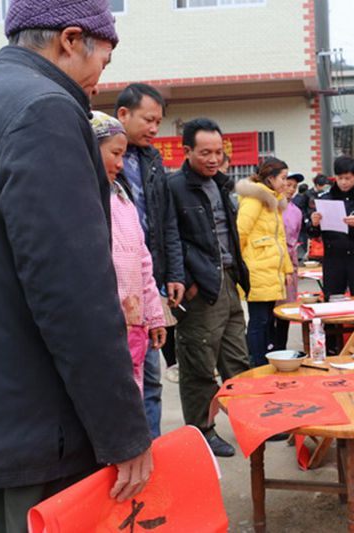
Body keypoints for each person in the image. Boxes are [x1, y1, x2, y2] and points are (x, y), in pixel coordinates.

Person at [0, 2, 153, 530]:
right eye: (103, 59)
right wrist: (123, 431)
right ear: (70, 39)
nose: (101, 79)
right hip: (39, 410)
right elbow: (72, 290)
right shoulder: (44, 109)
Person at [167, 117, 251, 457]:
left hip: (228, 280)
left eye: (218, 152)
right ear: (187, 151)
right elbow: (168, 238)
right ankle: (202, 431)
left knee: (237, 358)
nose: (214, 159)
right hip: (199, 288)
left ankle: (248, 420)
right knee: (199, 363)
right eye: (205, 153)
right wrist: (185, 282)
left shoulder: (221, 183)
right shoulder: (174, 188)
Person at [115, 82, 185, 439]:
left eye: (158, 121)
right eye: (148, 120)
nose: (155, 128)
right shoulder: (99, 156)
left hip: (149, 278)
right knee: (123, 378)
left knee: (152, 375)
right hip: (116, 282)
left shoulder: (153, 159)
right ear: (123, 114)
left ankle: (152, 446)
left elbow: (166, 221)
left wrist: (173, 273)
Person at [92, 111, 167, 392]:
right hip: (101, 328)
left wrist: (154, 315)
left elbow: (143, 262)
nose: (120, 164)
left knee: (137, 392)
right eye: (115, 153)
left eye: (123, 155)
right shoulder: (79, 201)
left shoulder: (123, 200)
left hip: (134, 323)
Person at [235, 159, 294, 367]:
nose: (286, 183)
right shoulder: (255, 200)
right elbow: (240, 233)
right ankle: (257, 363)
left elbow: (280, 240)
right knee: (259, 321)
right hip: (257, 269)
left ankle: (264, 360)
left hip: (270, 270)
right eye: (283, 178)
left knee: (267, 320)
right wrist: (241, 267)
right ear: (270, 178)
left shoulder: (273, 201)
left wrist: (287, 270)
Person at [306, 156, 354, 299]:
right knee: (333, 298)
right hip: (333, 256)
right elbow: (312, 232)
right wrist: (314, 223)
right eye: (340, 178)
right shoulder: (324, 198)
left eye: (348, 178)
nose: (343, 182)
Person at [275, 172, 305, 349]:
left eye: (294, 186)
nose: (292, 189)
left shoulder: (296, 211)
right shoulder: (270, 207)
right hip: (273, 263)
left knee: (286, 308)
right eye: (288, 184)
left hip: (290, 262)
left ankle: (281, 346)